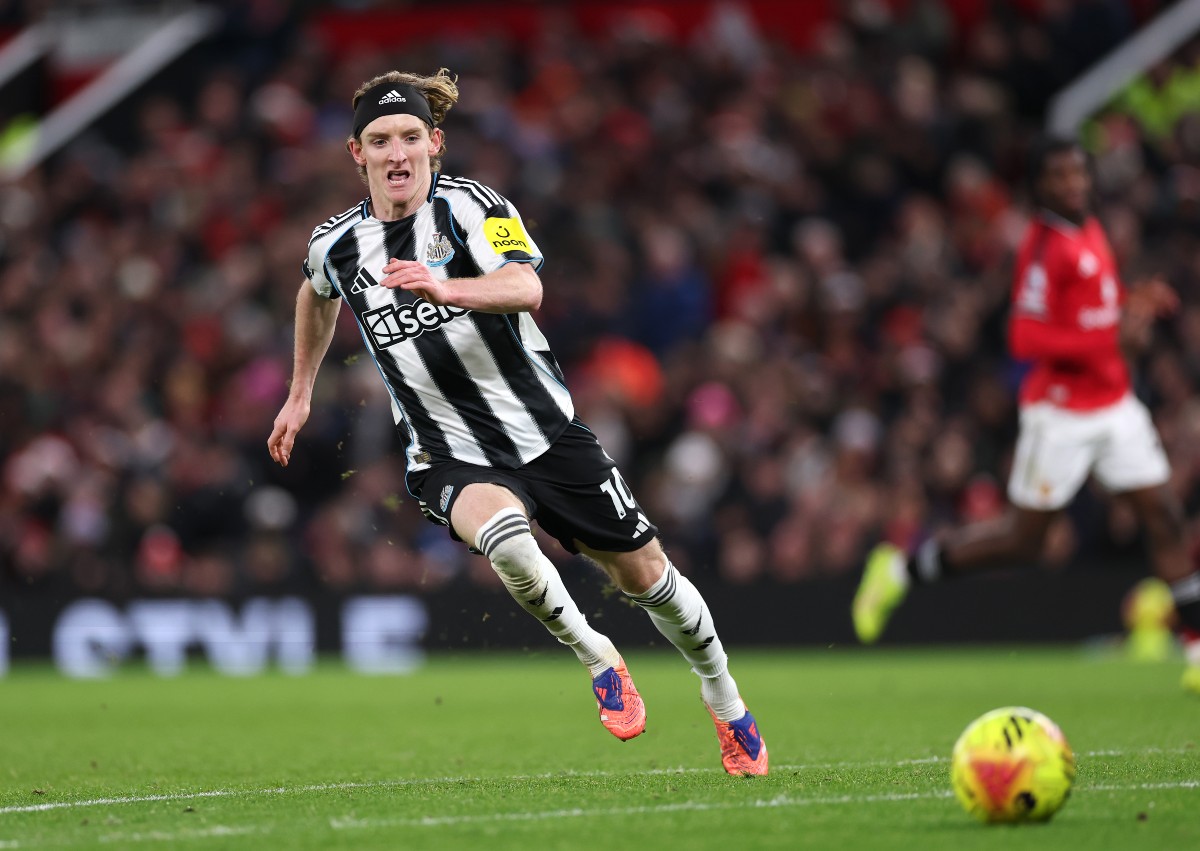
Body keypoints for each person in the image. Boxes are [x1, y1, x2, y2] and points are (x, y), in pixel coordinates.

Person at [267, 69, 768, 773]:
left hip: (546, 435)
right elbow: (315, 294)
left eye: (410, 135)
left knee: (648, 578)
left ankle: (726, 700)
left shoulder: (478, 206)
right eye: (379, 140)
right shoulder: (336, 242)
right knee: (505, 540)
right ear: (358, 154)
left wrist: (447, 286)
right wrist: (300, 390)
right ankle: (597, 654)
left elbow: (527, 285)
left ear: (434, 143)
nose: (396, 152)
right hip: (446, 450)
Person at [852, 137, 1200, 693]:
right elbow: (1025, 335)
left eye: (1079, 174)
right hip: (1060, 415)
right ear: (1040, 185)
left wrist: (1134, 302)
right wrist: (1109, 333)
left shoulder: (1090, 228)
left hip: (1114, 403)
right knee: (1023, 542)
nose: (1073, 185)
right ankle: (897, 570)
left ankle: (1197, 653)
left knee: (1164, 515)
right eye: (1060, 177)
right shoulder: (1042, 247)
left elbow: (1092, 312)